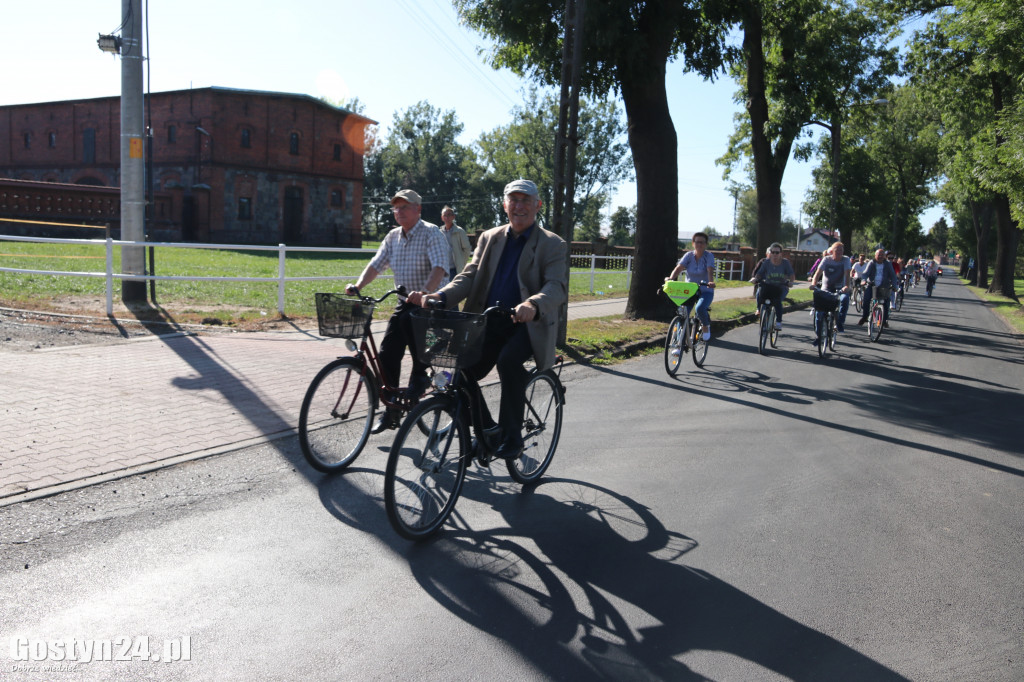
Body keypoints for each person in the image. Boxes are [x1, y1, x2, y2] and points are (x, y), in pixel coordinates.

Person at [414, 179, 567, 461]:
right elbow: (469, 275)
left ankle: (512, 436)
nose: (519, 206)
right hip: (488, 320)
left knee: (508, 361)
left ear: (537, 205)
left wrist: (533, 303)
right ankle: (489, 430)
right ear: (505, 204)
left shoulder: (552, 244)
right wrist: (441, 296)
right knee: (461, 370)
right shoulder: (490, 237)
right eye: (514, 200)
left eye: (525, 200)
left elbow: (556, 286)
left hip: (527, 326)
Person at [347, 189, 450, 433]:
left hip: (430, 302)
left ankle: (421, 375)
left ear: (418, 209)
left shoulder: (431, 232)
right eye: (396, 208)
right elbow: (376, 265)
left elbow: (439, 268)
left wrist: (424, 293)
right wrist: (358, 285)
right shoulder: (392, 237)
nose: (399, 211)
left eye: (405, 207)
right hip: (405, 301)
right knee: (386, 355)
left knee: (416, 346)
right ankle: (391, 409)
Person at [665, 231, 716, 341]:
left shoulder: (709, 256)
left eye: (702, 242)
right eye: (697, 242)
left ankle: (706, 326)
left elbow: (710, 270)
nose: (699, 245)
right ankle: (678, 343)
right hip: (689, 291)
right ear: (693, 243)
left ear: (706, 244)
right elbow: (679, 268)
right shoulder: (688, 255)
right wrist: (671, 278)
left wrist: (710, 282)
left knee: (700, 308)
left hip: (705, 290)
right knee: (683, 314)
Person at [810, 241, 851, 340]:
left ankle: (839, 322)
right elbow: (817, 273)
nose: (839, 252)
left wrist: (846, 286)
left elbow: (847, 274)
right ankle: (818, 329)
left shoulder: (845, 260)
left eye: (841, 250)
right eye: (837, 250)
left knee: (845, 299)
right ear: (832, 251)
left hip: (839, 288)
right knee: (819, 309)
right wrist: (813, 284)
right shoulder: (826, 260)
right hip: (826, 287)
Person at [750, 243, 795, 330]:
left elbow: (791, 274)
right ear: (770, 252)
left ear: (781, 253)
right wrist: (755, 279)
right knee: (760, 294)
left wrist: (791, 282)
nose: (774, 254)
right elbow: (760, 273)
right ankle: (761, 315)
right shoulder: (766, 262)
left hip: (781, 287)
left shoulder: (785, 262)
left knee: (777, 301)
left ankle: (778, 322)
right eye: (773, 252)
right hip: (769, 286)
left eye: (777, 252)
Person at [856, 248, 899, 327]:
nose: (880, 256)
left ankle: (884, 320)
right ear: (875, 255)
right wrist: (863, 280)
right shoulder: (871, 263)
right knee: (866, 299)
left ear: (884, 256)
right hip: (871, 285)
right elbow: (865, 274)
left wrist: (895, 286)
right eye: (879, 255)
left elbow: (893, 276)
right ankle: (865, 317)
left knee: (886, 302)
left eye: (882, 255)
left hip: (884, 286)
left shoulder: (888, 264)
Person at [439, 205, 473, 280]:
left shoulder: (459, 231)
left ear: (453, 217)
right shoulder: (439, 232)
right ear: (442, 217)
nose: (447, 217)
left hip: (455, 269)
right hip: (443, 269)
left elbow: (467, 248)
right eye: (445, 215)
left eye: (449, 215)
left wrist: (461, 262)